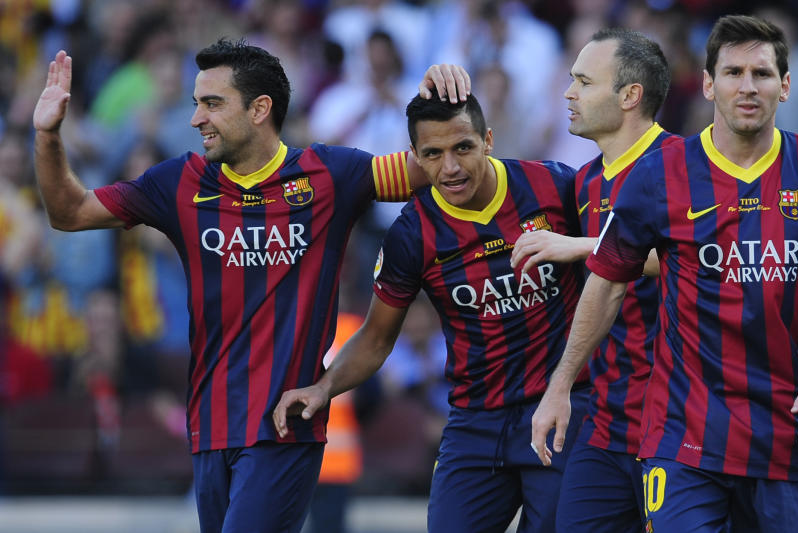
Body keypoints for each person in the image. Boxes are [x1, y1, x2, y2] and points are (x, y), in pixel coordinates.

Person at [32, 40, 468, 533]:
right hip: (210, 428)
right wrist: (49, 136)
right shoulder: (178, 182)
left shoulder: (330, 174)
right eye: (197, 103)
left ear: (260, 109)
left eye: (212, 103)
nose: (196, 118)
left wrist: (441, 106)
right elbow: (69, 213)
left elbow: (433, 165)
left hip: (283, 427)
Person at [541, 15, 798, 531]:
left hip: (781, 431)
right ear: (709, 83)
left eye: (761, 74)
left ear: (785, 86)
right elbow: (607, 284)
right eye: (733, 72)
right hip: (683, 434)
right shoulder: (660, 174)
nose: (747, 86)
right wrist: (562, 382)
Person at [273, 90, 591, 533]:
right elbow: (377, 336)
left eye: (463, 147)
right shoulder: (411, 234)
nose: (451, 167)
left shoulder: (554, 187)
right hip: (474, 421)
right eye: (433, 154)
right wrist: (324, 387)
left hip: (560, 409)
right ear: (415, 159)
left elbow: (626, 259)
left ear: (489, 140)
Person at [510, 28, 679, 533]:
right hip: (606, 416)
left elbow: (686, 260)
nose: (569, 94)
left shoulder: (683, 166)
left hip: (674, 417)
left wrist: (579, 246)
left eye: (583, 82)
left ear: (630, 96)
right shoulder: (584, 181)